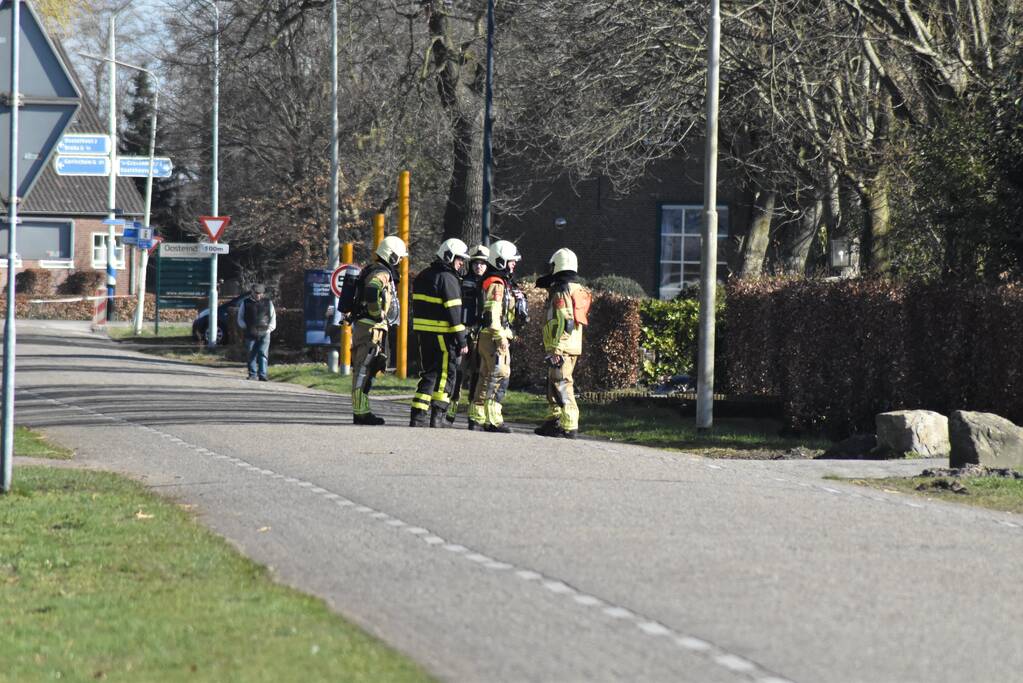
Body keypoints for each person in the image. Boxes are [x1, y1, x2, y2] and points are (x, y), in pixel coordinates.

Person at [410, 238, 470, 428]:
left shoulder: (423, 275)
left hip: (424, 335)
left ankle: (418, 415)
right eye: (459, 259)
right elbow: (454, 312)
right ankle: (438, 416)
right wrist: (462, 340)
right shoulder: (448, 278)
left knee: (430, 373)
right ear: (449, 256)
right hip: (443, 335)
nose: (461, 264)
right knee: (446, 374)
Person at [351, 236, 406, 425]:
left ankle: (362, 410)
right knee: (364, 369)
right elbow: (372, 290)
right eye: (399, 257)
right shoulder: (382, 273)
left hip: (368, 327)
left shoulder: (373, 269)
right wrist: (377, 313)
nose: (400, 261)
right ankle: (360, 412)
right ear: (392, 256)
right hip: (371, 328)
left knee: (370, 368)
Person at [535, 248, 590, 439]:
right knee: (554, 382)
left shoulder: (561, 291)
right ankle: (554, 420)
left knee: (562, 383)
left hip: (562, 347)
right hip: (568, 346)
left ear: (557, 265)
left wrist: (556, 349)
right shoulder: (575, 288)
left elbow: (565, 321)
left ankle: (569, 424)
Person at [470, 240, 522, 433]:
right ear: (501, 261)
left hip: (485, 336)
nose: (514, 264)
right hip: (494, 337)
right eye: (511, 261)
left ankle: (477, 416)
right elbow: (493, 314)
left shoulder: (491, 280)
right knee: (500, 375)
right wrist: (501, 338)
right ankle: (493, 420)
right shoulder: (497, 284)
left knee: (485, 376)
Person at [447, 244, 489, 428]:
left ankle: (473, 415)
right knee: (458, 371)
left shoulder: (492, 284)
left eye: (483, 263)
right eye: (476, 263)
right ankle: (450, 411)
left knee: (478, 373)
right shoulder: (462, 282)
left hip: (483, 334)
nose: (479, 266)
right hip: (464, 331)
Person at [237, 283, 276, 381]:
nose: (258, 295)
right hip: (250, 332)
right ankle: (252, 374)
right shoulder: (245, 303)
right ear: (252, 292)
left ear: (263, 293)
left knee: (263, 353)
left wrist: (270, 329)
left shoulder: (268, 302)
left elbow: (273, 317)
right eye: (256, 293)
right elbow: (240, 317)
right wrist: (244, 326)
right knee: (251, 353)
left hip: (265, 332)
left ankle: (263, 374)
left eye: (260, 293)